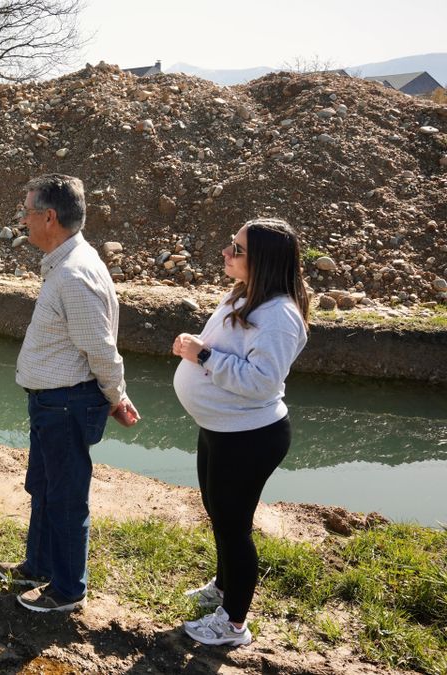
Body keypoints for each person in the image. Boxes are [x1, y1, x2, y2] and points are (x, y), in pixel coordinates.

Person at [0, 174, 141, 613]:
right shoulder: (66, 262)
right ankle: (39, 565)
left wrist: (116, 396)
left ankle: (67, 589)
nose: (22, 221)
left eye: (26, 213)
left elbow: (100, 348)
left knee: (64, 496)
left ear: (50, 217)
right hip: (51, 402)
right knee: (43, 488)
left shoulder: (76, 273)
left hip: (66, 403)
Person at [172, 217, 310, 647]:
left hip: (249, 436)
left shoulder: (280, 316)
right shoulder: (247, 294)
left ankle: (234, 624)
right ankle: (224, 587)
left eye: (237, 249)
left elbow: (261, 381)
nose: (226, 254)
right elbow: (231, 352)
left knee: (235, 527)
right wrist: (198, 348)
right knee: (220, 514)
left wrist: (204, 354)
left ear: (263, 260)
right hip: (220, 428)